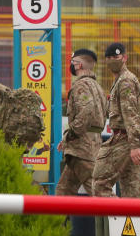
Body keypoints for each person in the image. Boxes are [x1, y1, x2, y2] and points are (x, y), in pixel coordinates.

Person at [91, 42, 140, 197]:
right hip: (130, 138)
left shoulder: (125, 81)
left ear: (125, 58)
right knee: (132, 191)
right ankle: (128, 218)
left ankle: (118, 215)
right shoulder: (121, 80)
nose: (112, 60)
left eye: (116, 57)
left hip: (125, 139)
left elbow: (130, 114)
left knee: (99, 185)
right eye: (109, 57)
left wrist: (134, 145)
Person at [56, 48, 107, 196]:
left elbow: (86, 112)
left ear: (78, 65)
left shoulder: (80, 86)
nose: (71, 66)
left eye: (72, 62)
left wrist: (70, 134)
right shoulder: (97, 87)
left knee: (99, 192)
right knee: (63, 191)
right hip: (91, 145)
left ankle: (119, 218)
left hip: (82, 148)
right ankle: (55, 219)